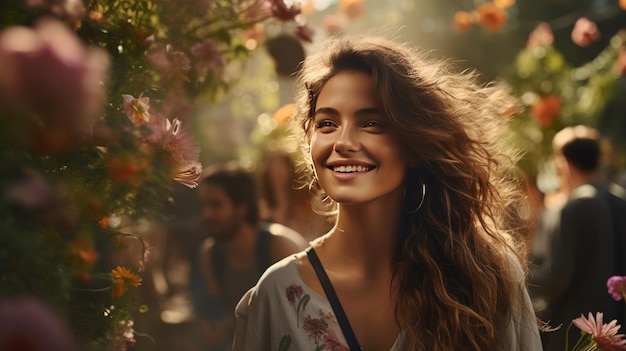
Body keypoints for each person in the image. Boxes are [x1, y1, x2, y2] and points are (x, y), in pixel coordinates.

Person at [232, 35, 543, 350]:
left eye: (371, 123)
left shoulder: (489, 279)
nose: (342, 142)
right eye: (327, 123)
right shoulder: (275, 296)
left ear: (413, 145)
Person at [190, 162, 307, 351]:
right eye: (204, 205)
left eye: (216, 205)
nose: (206, 214)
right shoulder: (210, 254)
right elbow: (215, 319)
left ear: (241, 207)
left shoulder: (281, 247)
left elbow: (307, 317)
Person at [529, 125, 626, 351]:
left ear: (565, 162)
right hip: (618, 329)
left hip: (580, 333)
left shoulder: (573, 208)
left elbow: (557, 277)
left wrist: (518, 277)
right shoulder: (621, 200)